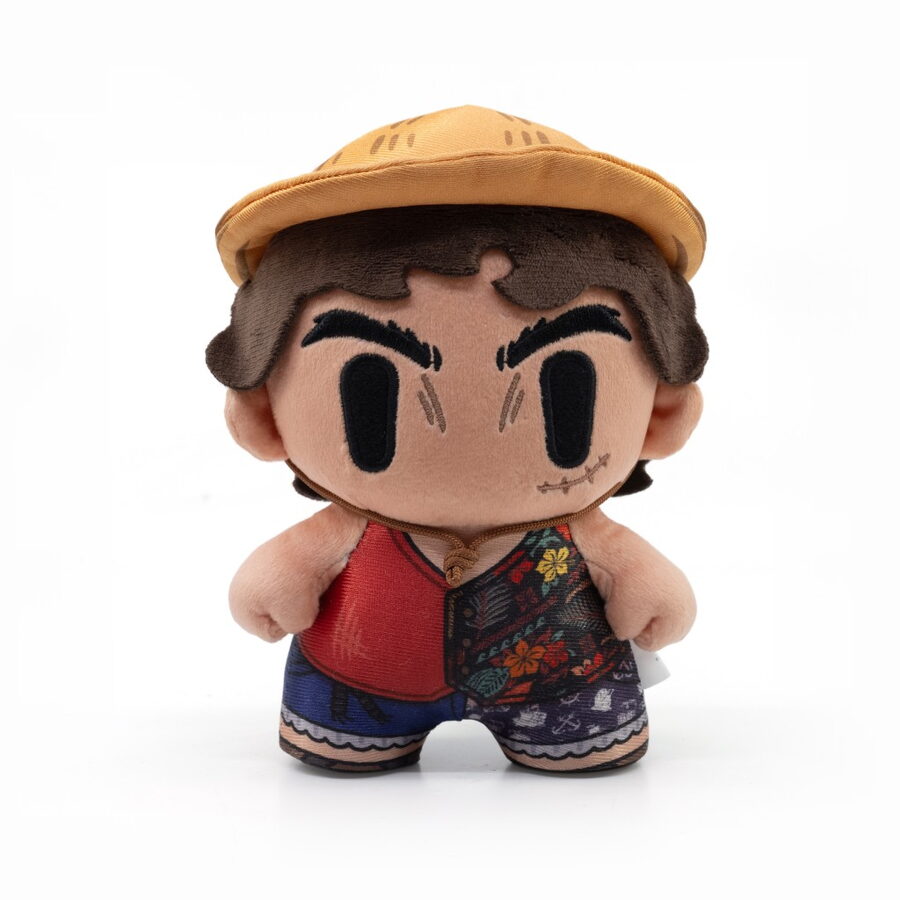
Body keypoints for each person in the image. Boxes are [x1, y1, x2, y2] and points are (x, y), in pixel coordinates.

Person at [206, 107, 708, 772]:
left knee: (582, 742)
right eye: (370, 386)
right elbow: (289, 569)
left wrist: (648, 588)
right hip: (358, 685)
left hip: (562, 688)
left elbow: (636, 575)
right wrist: (277, 579)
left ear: (663, 415)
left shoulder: (585, 533)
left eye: (567, 382)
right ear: (263, 417)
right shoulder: (343, 531)